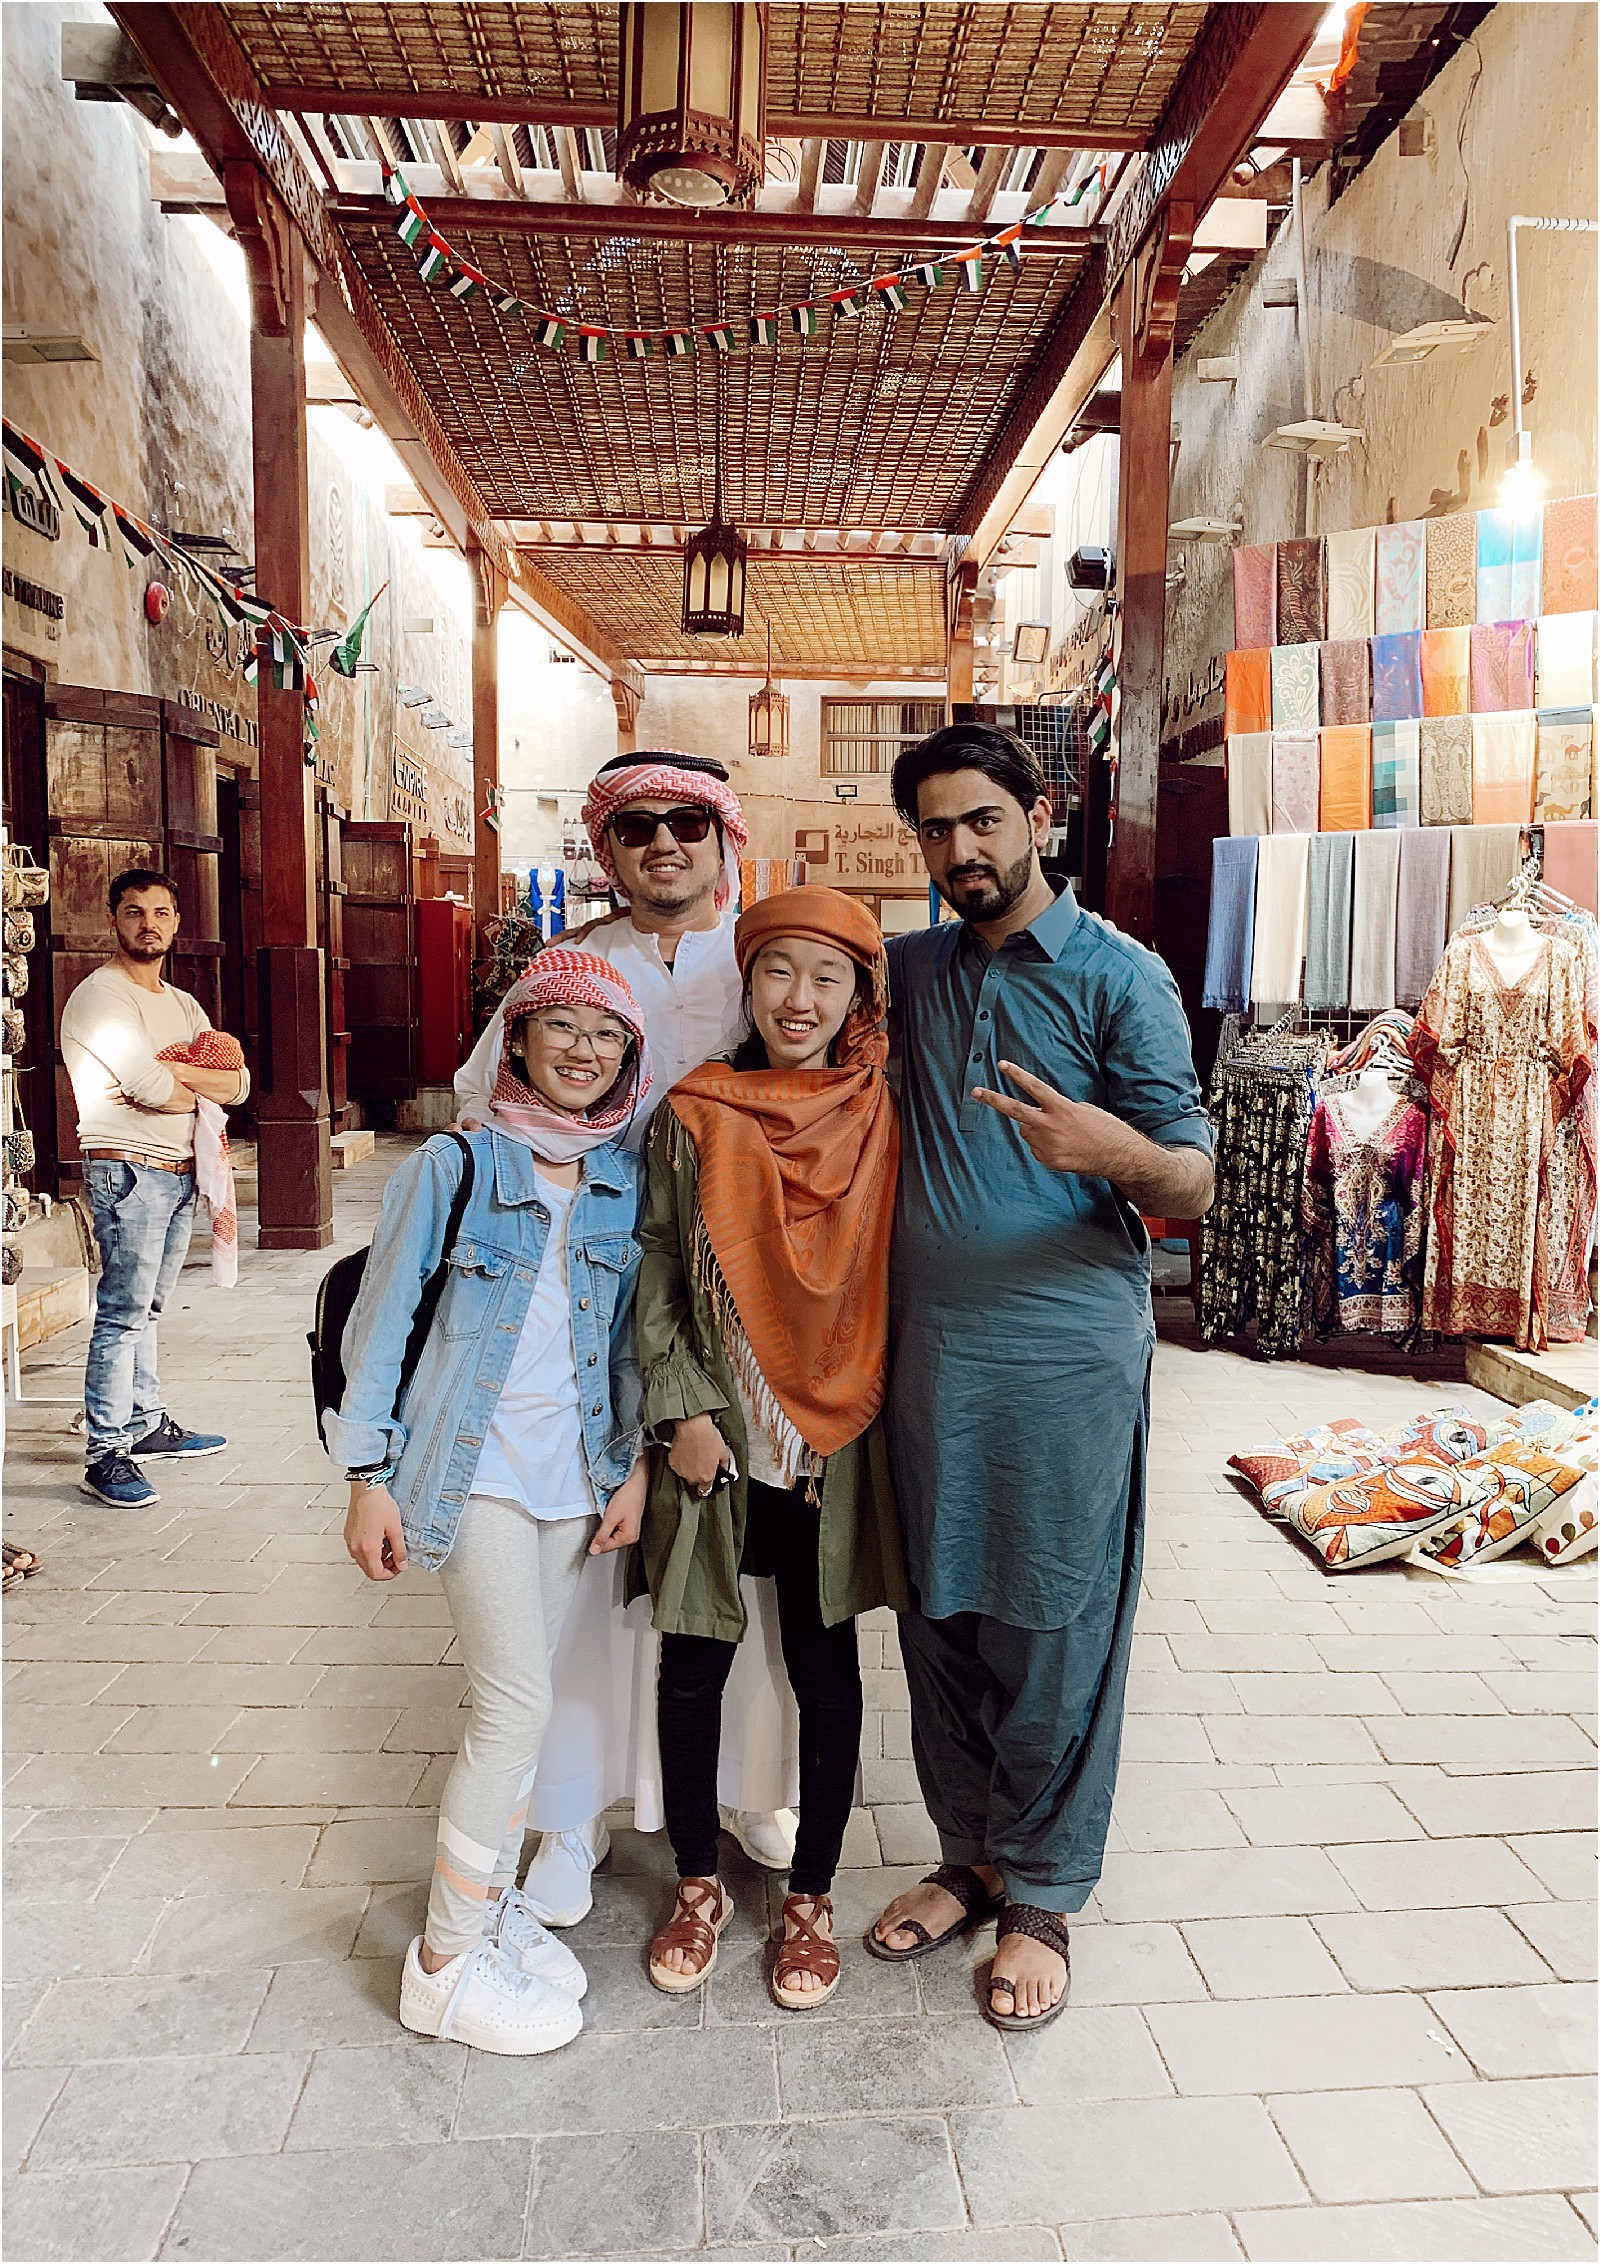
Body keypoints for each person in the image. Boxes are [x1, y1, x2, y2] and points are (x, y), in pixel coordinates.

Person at [865, 724, 1215, 2030]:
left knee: (1056, 1620)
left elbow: (1191, 1177)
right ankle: (973, 1854)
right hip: (928, 1359)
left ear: (1041, 813)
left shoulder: (1122, 979)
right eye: (937, 831)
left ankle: (1047, 1889)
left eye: (982, 823)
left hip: (1065, 1358)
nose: (960, 851)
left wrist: (1106, 1142)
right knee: (941, 1611)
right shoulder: (907, 972)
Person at [453, 752, 799, 1922]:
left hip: (738, 1305)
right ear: (605, 847)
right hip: (586, 1299)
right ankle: (566, 1815)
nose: (666, 843)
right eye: (639, 825)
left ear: (723, 839)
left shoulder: (765, 960)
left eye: (689, 822)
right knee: (584, 1572)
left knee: (736, 1557)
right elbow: (477, 1110)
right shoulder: (570, 967)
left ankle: (756, 1789)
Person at [330, 950, 652, 2055]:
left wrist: (633, 1467)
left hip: (577, 1477)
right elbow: (375, 1331)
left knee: (523, 1705)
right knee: (511, 1704)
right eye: (558, 1027)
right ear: (514, 1040)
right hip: (470, 1474)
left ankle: (490, 1904)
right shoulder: (455, 1168)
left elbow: (619, 1346)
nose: (582, 1050)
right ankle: (445, 1963)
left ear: (626, 1057)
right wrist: (366, 1475)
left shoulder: (618, 1175)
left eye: (605, 1035)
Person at [634, 889, 908, 2008]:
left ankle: (809, 1896)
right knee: (691, 1660)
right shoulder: (696, 1110)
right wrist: (683, 1407)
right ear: (746, 984)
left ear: (858, 995)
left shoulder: (886, 1108)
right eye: (778, 971)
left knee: (827, 1672)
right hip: (720, 1429)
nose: (800, 998)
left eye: (826, 975)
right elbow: (656, 1263)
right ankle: (696, 1882)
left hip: (836, 1438)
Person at [60, 869, 249, 1510]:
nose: (150, 923)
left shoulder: (182, 1004)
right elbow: (150, 1088)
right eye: (135, 911)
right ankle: (105, 1452)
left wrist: (175, 1076)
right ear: (113, 918)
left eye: (162, 912)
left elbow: (241, 1084)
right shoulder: (101, 997)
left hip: (177, 1171)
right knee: (121, 1314)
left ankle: (144, 1423)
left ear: (176, 921)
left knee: (150, 1310)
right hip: (128, 1171)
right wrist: (185, 1079)